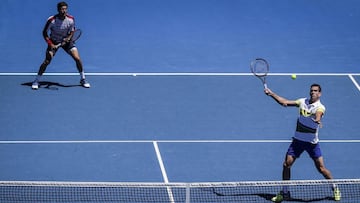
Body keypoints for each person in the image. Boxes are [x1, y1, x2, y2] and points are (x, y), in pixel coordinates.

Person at [264, 84, 340, 202]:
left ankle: (335, 188)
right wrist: (271, 94)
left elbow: (319, 114)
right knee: (286, 164)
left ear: (319, 94)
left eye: (315, 91)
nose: (313, 93)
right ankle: (285, 192)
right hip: (298, 141)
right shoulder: (302, 101)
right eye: (311, 91)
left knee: (321, 169)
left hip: (312, 143)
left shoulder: (320, 107)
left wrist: (318, 120)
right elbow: (284, 102)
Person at [32, 1, 90, 90]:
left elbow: (72, 31)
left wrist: (68, 38)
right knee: (47, 61)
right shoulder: (52, 20)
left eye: (65, 9)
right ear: (58, 10)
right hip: (54, 41)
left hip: (66, 42)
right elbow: (44, 33)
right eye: (62, 9)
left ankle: (83, 79)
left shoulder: (71, 19)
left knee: (77, 58)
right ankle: (36, 81)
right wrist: (50, 44)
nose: (64, 11)